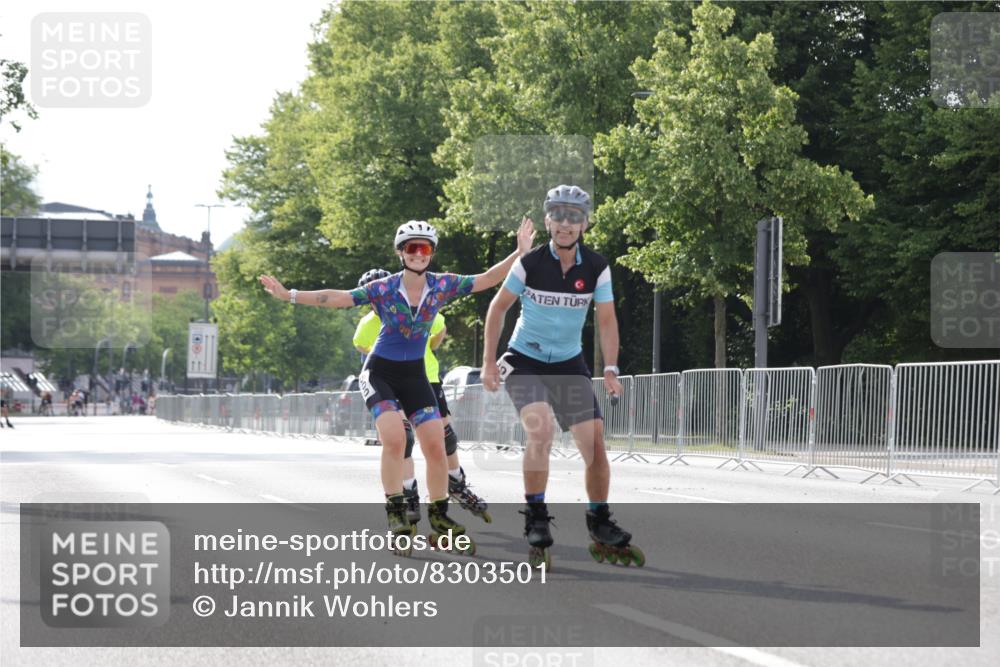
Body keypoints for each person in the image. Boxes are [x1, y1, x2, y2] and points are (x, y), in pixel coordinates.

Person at [260, 217, 533, 552]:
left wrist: (519, 253)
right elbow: (338, 297)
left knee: (436, 445)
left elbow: (486, 279)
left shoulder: (441, 285)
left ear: (431, 253)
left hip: (415, 374)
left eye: (425, 248)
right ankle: (396, 512)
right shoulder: (384, 288)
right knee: (395, 439)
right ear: (401, 252)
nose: (419, 254)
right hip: (381, 373)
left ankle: (440, 516)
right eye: (412, 248)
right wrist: (289, 295)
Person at [481, 185, 642, 569]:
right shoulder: (530, 263)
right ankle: (536, 516)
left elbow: (606, 320)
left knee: (595, 444)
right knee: (541, 432)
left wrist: (610, 367)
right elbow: (497, 307)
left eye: (574, 217)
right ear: (548, 221)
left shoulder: (597, 267)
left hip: (569, 364)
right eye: (558, 216)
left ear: (584, 224)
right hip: (525, 362)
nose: (565, 224)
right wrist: (489, 361)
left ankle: (599, 521)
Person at [352, 269, 490, 527]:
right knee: (403, 439)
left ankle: (456, 482)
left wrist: (428, 347)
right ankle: (409, 493)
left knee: (445, 438)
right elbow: (364, 349)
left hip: (426, 378)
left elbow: (440, 329)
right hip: (391, 382)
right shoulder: (367, 325)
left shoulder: (415, 305)